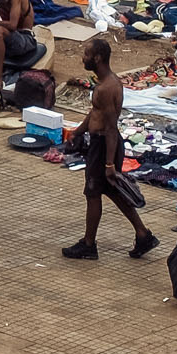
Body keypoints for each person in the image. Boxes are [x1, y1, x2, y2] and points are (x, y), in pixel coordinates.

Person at [63, 36, 159, 260]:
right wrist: (78, 131)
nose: (83, 58)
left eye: (87, 54)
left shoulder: (107, 88)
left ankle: (89, 244)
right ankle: (143, 234)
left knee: (93, 193)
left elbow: (110, 128)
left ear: (97, 58)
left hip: (103, 146)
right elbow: (95, 113)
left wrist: (108, 163)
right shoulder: (106, 83)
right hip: (102, 144)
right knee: (113, 191)